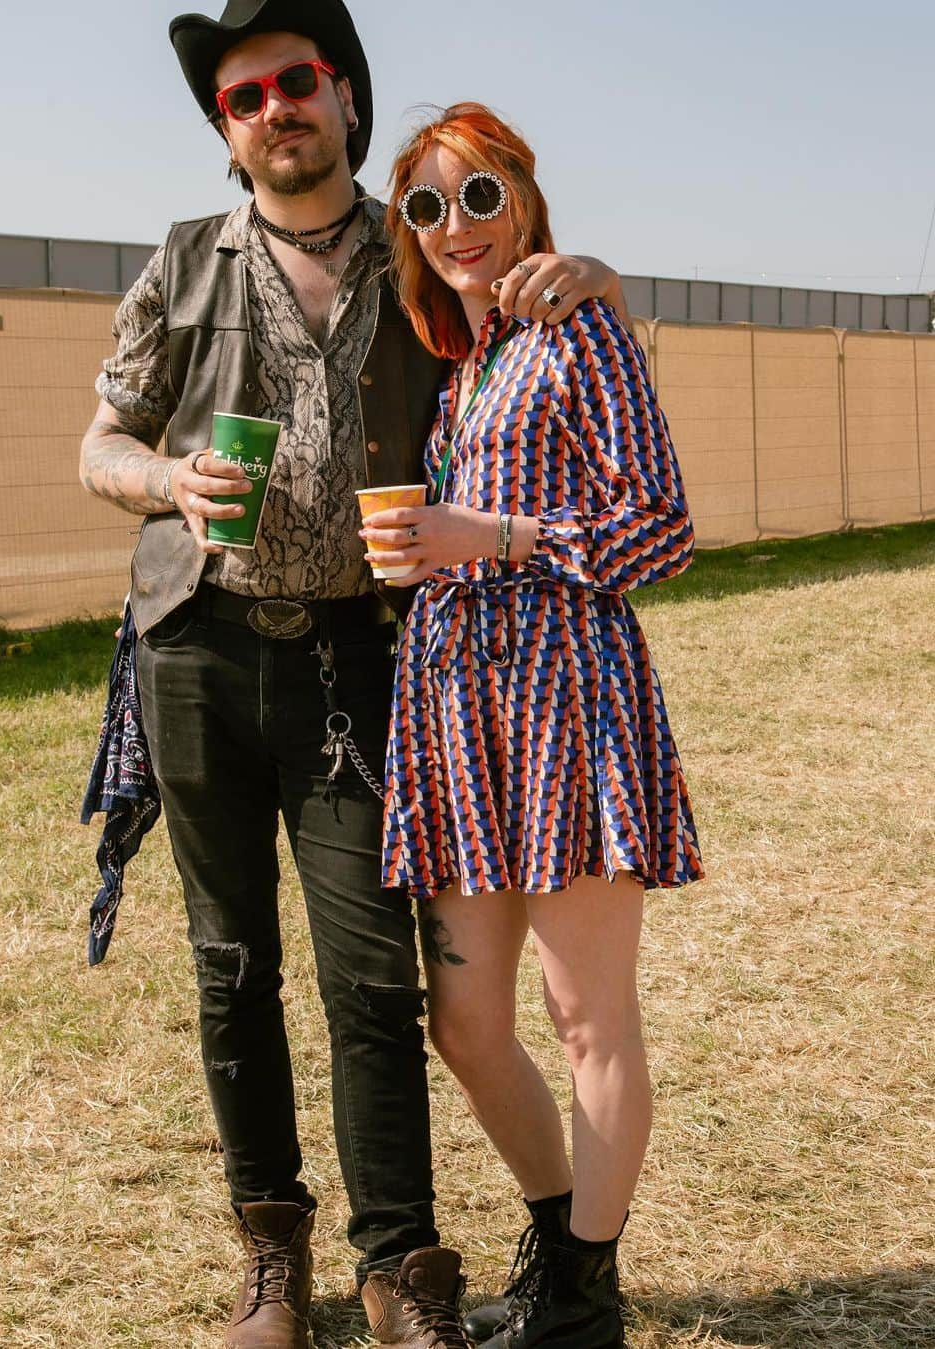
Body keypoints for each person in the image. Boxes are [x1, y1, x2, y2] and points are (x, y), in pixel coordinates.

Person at [79, 4, 631, 1346]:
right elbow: (101, 437)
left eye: (297, 82)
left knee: (376, 980)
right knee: (230, 965)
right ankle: (273, 1259)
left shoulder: (414, 254)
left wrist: (595, 276)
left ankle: (402, 1266)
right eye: (245, 96)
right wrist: (162, 477)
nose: (275, 108)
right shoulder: (182, 262)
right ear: (228, 131)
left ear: (341, 97)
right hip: (199, 646)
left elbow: (518, 289)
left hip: (358, 658)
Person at [359, 104, 704, 1349]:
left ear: (527, 198)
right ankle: (562, 1235)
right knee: (465, 1021)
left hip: (566, 699)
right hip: (458, 711)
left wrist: (487, 539)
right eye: (429, 207)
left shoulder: (579, 325)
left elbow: (660, 527)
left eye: (481, 195)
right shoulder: (469, 360)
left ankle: (582, 1297)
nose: (459, 227)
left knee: (589, 1015)